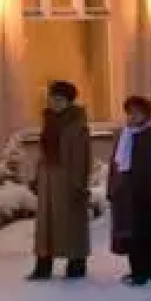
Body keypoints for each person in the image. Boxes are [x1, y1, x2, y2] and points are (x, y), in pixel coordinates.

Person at [29, 80, 91, 281]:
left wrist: (79, 185)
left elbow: (82, 157)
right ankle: (43, 266)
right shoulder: (48, 121)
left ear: (68, 101)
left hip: (68, 178)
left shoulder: (76, 124)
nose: (54, 103)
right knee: (46, 226)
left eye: (59, 99)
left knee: (70, 224)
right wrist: (37, 178)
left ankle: (76, 264)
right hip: (48, 177)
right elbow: (43, 152)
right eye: (52, 99)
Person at [108, 94, 151, 286]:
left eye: (137, 113)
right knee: (129, 235)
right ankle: (135, 271)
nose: (133, 117)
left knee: (144, 236)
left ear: (145, 115)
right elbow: (115, 165)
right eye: (130, 113)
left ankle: (147, 273)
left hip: (145, 193)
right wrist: (112, 188)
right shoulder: (124, 135)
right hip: (125, 194)